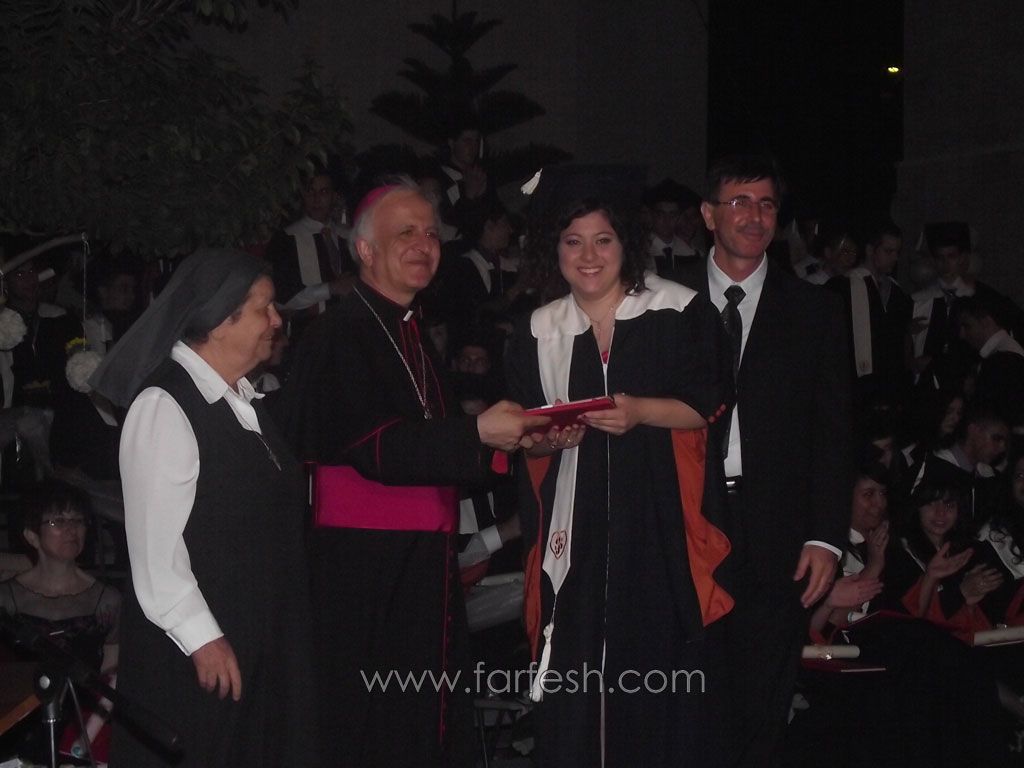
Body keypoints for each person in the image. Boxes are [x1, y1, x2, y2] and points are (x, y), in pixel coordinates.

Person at [279, 179, 547, 768]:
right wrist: (479, 433)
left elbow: (436, 443)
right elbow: (375, 447)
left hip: (419, 560)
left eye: (431, 233)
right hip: (364, 570)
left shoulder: (409, 330)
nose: (424, 244)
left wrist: (522, 442)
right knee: (375, 722)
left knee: (423, 718)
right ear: (365, 249)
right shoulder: (340, 334)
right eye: (406, 233)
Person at [505, 165, 733, 767]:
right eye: (572, 241)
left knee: (656, 681)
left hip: (657, 525)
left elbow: (708, 404)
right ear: (553, 249)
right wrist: (549, 441)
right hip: (573, 537)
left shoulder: (677, 310)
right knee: (575, 686)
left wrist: (638, 412)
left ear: (626, 242)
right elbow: (528, 443)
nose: (589, 256)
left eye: (603, 240)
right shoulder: (538, 331)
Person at [90, 248, 319, 767]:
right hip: (203, 651)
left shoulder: (242, 402)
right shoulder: (164, 406)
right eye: (264, 308)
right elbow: (155, 550)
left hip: (258, 634)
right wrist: (203, 639)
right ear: (221, 319)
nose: (277, 320)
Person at [676, 154, 854, 766]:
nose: (754, 217)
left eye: (767, 204)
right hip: (686, 522)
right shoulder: (662, 300)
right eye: (739, 202)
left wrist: (826, 538)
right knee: (687, 694)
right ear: (708, 214)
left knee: (762, 703)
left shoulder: (814, 310)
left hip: (778, 532)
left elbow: (834, 433)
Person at [1, 482, 121, 763]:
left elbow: (111, 672)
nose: (71, 529)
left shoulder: (108, 600)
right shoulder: (6, 598)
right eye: (58, 521)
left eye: (77, 521)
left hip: (80, 735)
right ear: (32, 536)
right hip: (15, 732)